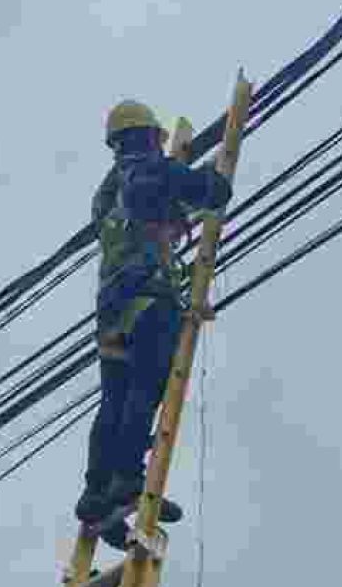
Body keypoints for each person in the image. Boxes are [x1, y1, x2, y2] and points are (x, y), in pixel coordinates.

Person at [74, 100, 232, 535]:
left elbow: (152, 213)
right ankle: (127, 480)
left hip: (110, 308)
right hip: (147, 298)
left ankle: (96, 493)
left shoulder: (106, 195)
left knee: (115, 396)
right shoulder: (151, 171)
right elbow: (212, 192)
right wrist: (207, 179)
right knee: (146, 385)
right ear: (148, 136)